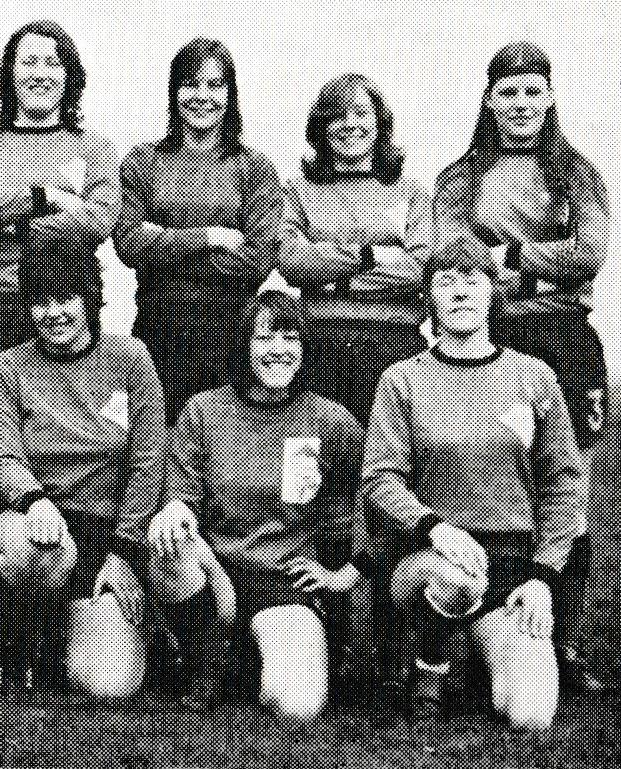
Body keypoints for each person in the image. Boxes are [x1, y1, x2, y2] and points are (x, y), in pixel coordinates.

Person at [433, 41, 609, 692]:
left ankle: (568, 637)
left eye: (533, 91)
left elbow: (589, 253)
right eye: (508, 92)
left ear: (551, 97)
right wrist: (532, 269)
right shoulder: (461, 175)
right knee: (491, 477)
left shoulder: (576, 172)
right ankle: (471, 627)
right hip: (494, 336)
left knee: (569, 483)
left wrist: (507, 256)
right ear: (489, 100)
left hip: (563, 337)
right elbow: (453, 255)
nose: (521, 104)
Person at [362, 236, 585, 730]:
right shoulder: (402, 379)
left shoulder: (534, 376)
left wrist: (542, 576)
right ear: (429, 295)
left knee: (531, 711)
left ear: (493, 290)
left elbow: (565, 482)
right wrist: (433, 528)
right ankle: (430, 666)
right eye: (446, 280)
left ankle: (481, 655)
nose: (460, 291)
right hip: (430, 558)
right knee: (454, 580)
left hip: (510, 562)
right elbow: (380, 478)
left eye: (472, 279)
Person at [277, 73, 431, 683]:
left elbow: (423, 270)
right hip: (321, 348)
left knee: (387, 481)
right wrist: (374, 257)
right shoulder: (299, 190)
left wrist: (338, 264)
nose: (349, 127)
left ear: (379, 125)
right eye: (336, 116)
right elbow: (292, 259)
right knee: (325, 481)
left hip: (392, 351)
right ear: (321, 129)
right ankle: (324, 611)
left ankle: (394, 634)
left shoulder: (408, 191)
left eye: (361, 115)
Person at [152, 290, 366, 724]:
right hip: (212, 573)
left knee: (298, 705)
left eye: (290, 337)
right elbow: (181, 496)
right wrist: (176, 510)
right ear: (244, 345)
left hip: (283, 579)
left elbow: (367, 506)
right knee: (169, 535)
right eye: (265, 337)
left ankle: (246, 657)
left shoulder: (331, 421)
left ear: (306, 347)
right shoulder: (204, 411)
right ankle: (205, 658)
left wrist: (344, 573)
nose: (278, 349)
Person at [0, 241, 165, 694]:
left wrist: (122, 550)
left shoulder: (131, 359)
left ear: (89, 298)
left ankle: (68, 633)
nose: (53, 313)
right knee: (26, 547)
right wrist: (33, 499)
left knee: (108, 684)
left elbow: (148, 461)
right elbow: (2, 454)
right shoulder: (6, 367)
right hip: (32, 521)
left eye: (65, 298)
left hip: (105, 531)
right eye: (40, 301)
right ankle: (17, 651)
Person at [114, 38, 283, 425]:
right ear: (173, 92)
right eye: (190, 84)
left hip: (230, 332)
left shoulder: (255, 168)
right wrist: (211, 237)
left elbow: (258, 260)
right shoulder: (142, 161)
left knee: (223, 442)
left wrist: (163, 241)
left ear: (230, 94)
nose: (202, 96)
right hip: (159, 327)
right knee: (156, 441)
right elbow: (129, 243)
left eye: (215, 85)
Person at [0, 19, 120, 374]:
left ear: (69, 76)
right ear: (9, 73)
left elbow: (100, 222)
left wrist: (14, 222)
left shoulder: (95, 148)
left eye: (52, 63)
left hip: (68, 307)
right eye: (29, 62)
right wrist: (46, 198)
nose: (40, 74)